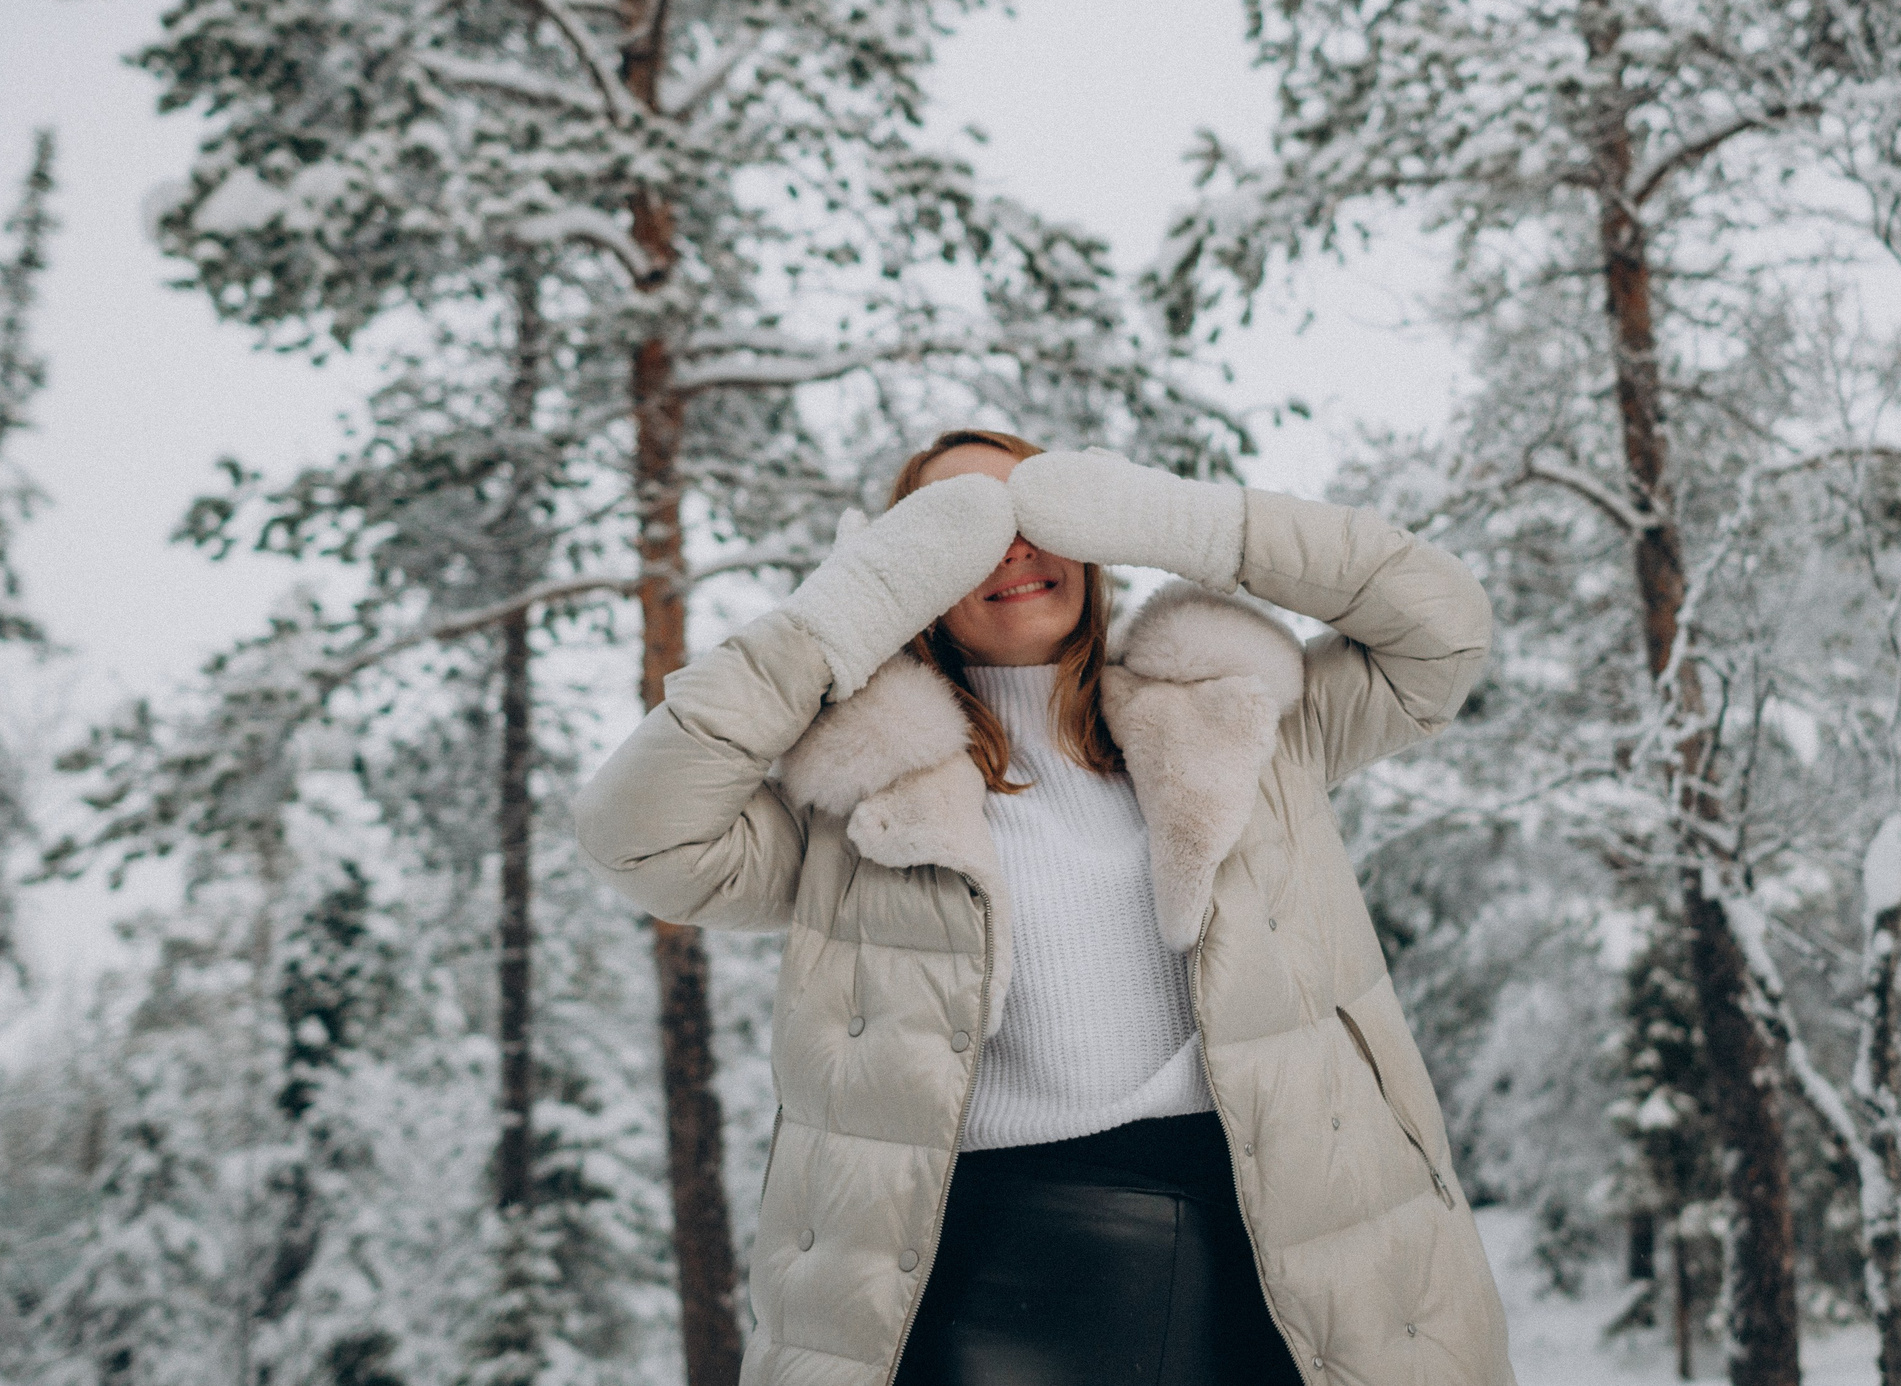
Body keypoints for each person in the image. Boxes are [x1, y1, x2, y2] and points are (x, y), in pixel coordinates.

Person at [575, 430, 1515, 1385]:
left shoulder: (1248, 719)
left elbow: (1442, 629)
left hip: (1286, 1251)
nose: (1011, 546)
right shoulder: (851, 800)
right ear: (906, 584)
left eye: (1032, 511)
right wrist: (838, 616)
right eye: (955, 534)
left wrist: (1179, 518)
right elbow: (636, 835)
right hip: (979, 1277)